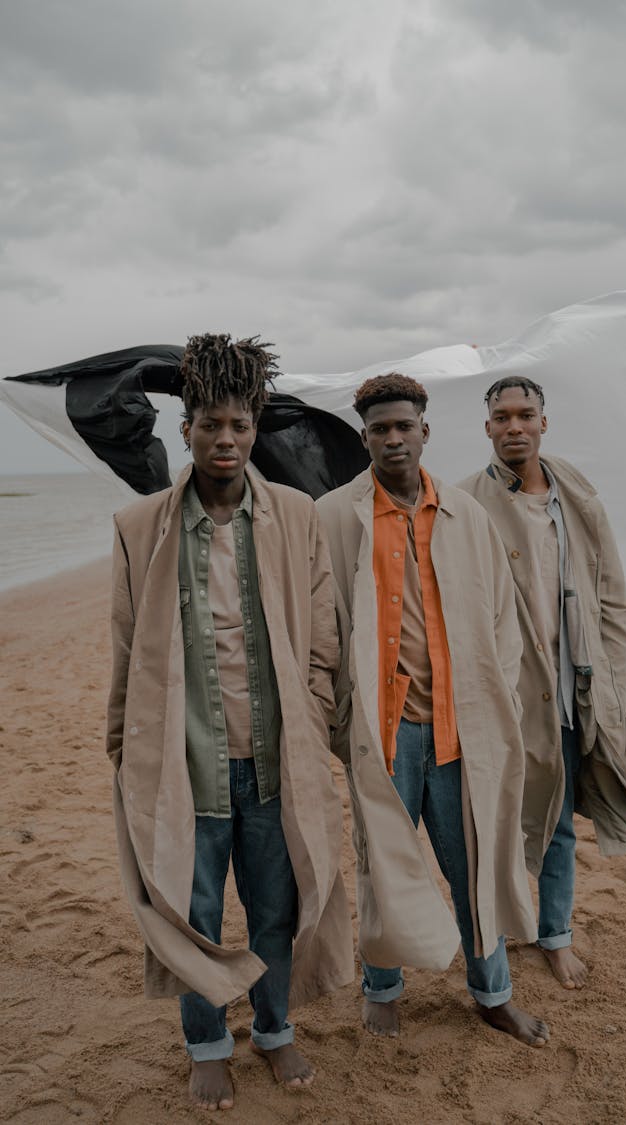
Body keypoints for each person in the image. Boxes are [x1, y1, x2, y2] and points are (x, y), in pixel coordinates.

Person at [106, 333, 353, 1111]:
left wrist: (311, 717)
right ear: (185, 429)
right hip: (185, 760)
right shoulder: (139, 524)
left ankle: (274, 1032)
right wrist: (123, 742)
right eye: (210, 423)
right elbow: (124, 647)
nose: (225, 439)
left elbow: (321, 638)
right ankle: (208, 1041)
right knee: (193, 908)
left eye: (239, 425)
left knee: (277, 907)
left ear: (255, 429)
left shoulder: (296, 515)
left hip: (277, 758)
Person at [316, 372, 549, 1048]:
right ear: (364, 436)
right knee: (383, 864)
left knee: (474, 865)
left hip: (457, 731)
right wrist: (342, 724)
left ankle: (493, 993)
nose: (394, 437)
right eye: (380, 428)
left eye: (404, 425)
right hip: (382, 734)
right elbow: (321, 631)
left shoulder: (466, 515)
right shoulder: (334, 514)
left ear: (426, 429)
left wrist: (495, 700)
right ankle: (383, 989)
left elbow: (502, 619)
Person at [459, 375, 626, 989]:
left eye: (525, 415)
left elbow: (610, 588)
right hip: (507, 695)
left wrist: (611, 675)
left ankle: (555, 935)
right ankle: (495, 934)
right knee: (496, 822)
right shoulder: (468, 501)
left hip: (574, 687)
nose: (513, 427)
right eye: (501, 417)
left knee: (559, 822)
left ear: (543, 422)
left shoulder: (575, 492)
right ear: (487, 428)